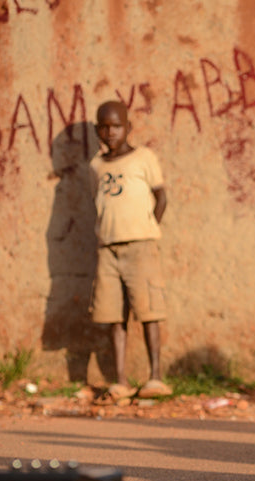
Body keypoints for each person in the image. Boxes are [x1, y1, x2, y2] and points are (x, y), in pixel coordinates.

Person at [89, 100, 173, 400]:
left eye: (116, 126)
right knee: (114, 316)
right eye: (104, 126)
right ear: (97, 129)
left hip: (140, 246)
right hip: (108, 250)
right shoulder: (96, 166)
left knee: (149, 310)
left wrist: (148, 229)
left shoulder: (144, 157)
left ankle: (155, 378)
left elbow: (160, 196)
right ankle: (121, 381)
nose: (110, 132)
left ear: (128, 128)